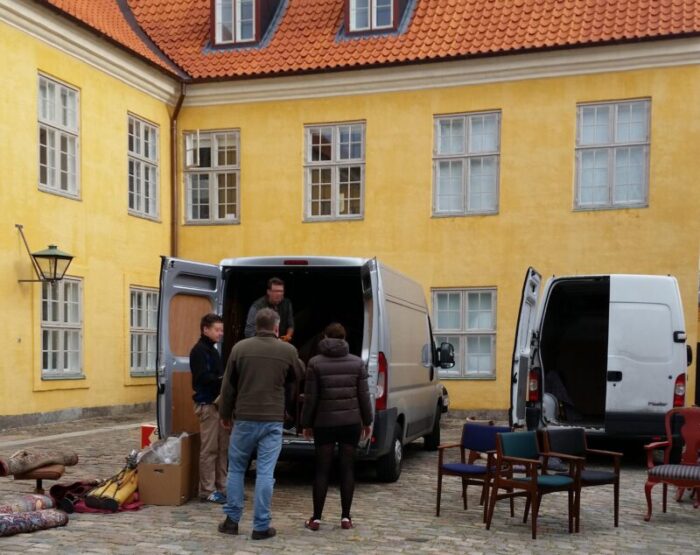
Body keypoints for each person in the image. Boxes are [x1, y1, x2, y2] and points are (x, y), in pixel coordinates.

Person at [217, 308, 302, 540]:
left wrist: (225, 414)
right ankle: (261, 525)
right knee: (266, 472)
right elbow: (299, 375)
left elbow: (228, 386)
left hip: (243, 418)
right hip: (272, 420)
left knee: (236, 470)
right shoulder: (288, 351)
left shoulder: (239, 349)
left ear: (256, 326)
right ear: (277, 328)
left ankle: (232, 521)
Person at [300, 322, 372, 531]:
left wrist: (306, 423)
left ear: (324, 337)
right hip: (350, 423)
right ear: (344, 339)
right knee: (347, 469)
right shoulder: (357, 363)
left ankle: (316, 518)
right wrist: (367, 421)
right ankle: (346, 518)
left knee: (322, 470)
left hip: (324, 423)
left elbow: (311, 398)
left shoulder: (315, 363)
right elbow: (363, 396)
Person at [189, 313, 229, 503]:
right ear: (206, 329)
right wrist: (222, 380)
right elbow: (201, 378)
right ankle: (207, 489)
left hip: (218, 404)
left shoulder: (212, 350)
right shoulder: (199, 351)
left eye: (221, 330)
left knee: (222, 448)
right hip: (207, 404)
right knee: (209, 449)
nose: (220, 333)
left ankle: (223, 486)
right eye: (217, 330)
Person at [244, 277, 294, 341]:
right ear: (268, 291)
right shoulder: (257, 306)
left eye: (281, 291)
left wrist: (288, 336)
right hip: (262, 342)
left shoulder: (287, 303)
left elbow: (291, 325)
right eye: (275, 291)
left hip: (281, 343)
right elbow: (248, 332)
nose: (279, 294)